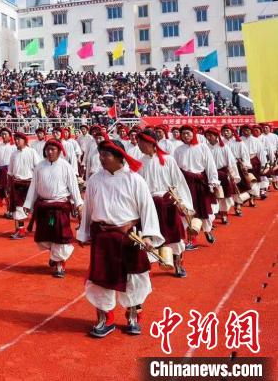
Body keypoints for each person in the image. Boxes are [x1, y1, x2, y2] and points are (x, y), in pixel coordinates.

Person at [77, 140, 164, 338]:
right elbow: (88, 208)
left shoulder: (135, 180)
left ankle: (133, 317)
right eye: (100, 154)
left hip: (129, 237)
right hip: (103, 238)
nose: (101, 158)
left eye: (106, 155)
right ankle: (105, 319)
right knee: (101, 279)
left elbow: (147, 208)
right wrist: (84, 233)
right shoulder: (94, 180)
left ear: (119, 157)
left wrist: (149, 235)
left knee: (134, 278)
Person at [137, 130, 193, 278]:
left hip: (168, 202)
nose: (139, 145)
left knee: (174, 235)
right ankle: (150, 264)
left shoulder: (168, 160)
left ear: (151, 143)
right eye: (138, 142)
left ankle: (178, 264)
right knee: (152, 235)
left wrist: (183, 202)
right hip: (150, 205)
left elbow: (178, 182)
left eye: (142, 142)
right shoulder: (140, 162)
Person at [23, 139, 83, 277]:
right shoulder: (39, 167)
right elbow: (34, 187)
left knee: (60, 237)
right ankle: (55, 256)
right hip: (44, 208)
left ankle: (59, 264)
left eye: (53, 149)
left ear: (59, 151)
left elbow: (73, 186)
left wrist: (78, 203)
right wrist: (28, 203)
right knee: (44, 238)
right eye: (48, 149)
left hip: (60, 207)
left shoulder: (66, 166)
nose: (50, 152)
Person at [173, 125, 220, 249]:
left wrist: (213, 181)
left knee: (204, 209)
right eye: (183, 134)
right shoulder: (178, 150)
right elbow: (176, 169)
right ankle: (191, 239)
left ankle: (207, 230)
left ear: (193, 134)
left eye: (188, 133)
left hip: (200, 182)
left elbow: (210, 165)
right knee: (187, 210)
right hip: (185, 184)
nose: (186, 136)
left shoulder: (203, 147)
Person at [8, 132, 42, 239]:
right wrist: (9, 186)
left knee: (37, 207)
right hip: (17, 184)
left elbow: (39, 167)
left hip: (30, 183)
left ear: (25, 140)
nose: (16, 141)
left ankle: (45, 229)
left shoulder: (32, 152)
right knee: (18, 208)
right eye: (15, 139)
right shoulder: (13, 154)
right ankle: (20, 230)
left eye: (19, 139)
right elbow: (10, 172)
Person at [205, 127, 240, 225]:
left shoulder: (223, 147)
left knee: (224, 195)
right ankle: (214, 213)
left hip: (222, 174)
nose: (209, 137)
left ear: (216, 136)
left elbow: (231, 162)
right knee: (211, 195)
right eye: (207, 135)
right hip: (209, 174)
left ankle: (224, 214)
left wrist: (233, 174)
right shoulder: (205, 147)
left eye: (211, 135)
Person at [222, 124, 252, 214]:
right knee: (227, 188)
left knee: (237, 187)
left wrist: (246, 166)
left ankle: (237, 205)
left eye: (227, 131)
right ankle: (224, 209)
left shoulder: (239, 142)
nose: (225, 133)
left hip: (236, 166)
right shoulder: (221, 142)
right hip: (224, 168)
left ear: (232, 131)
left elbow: (245, 154)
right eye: (224, 131)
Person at [240, 125, 266, 203]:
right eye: (244, 130)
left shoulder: (256, 140)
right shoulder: (239, 140)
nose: (246, 132)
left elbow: (261, 153)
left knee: (254, 180)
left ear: (251, 131)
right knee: (245, 180)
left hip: (254, 161)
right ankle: (247, 196)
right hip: (243, 162)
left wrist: (263, 164)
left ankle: (252, 198)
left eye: (248, 130)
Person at [0, 128, 16, 215]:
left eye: (5, 134)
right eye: (2, 134)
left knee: (10, 191)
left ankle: (12, 210)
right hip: (1, 171)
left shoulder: (13, 147)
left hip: (10, 171)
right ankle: (9, 209)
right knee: (4, 191)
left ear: (10, 136)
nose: (3, 136)